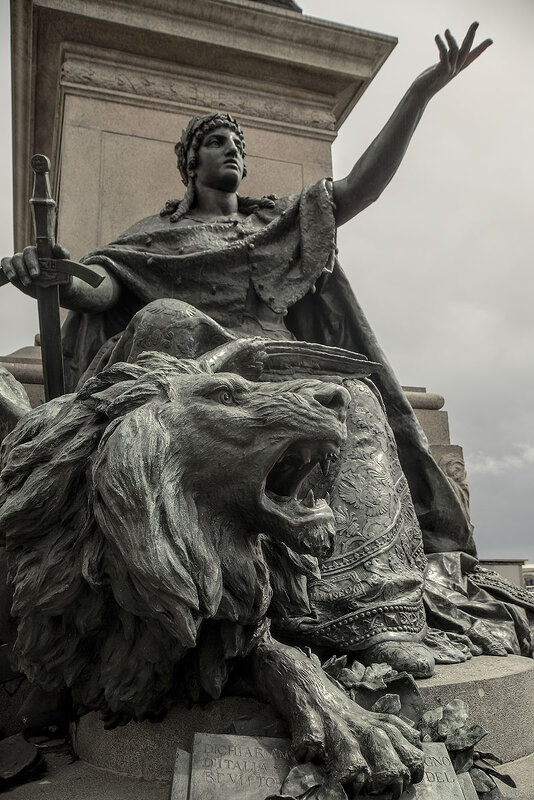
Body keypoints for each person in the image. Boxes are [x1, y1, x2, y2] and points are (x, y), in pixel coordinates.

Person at [6, 23, 530, 674]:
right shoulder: (153, 235)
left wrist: (420, 93)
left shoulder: (272, 225)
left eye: (239, 144)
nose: (232, 150)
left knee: (355, 402)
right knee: (167, 314)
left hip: (280, 367)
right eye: (218, 142)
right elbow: (102, 284)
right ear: (191, 161)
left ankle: (373, 615)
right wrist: (57, 274)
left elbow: (360, 189)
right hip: (201, 376)